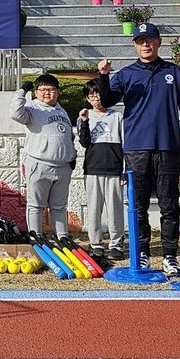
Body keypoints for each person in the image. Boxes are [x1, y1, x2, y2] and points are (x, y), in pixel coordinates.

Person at [97, 22, 180, 276]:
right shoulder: (127, 74)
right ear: (135, 45)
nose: (145, 45)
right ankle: (141, 254)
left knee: (169, 204)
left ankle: (170, 256)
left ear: (159, 42)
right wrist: (104, 76)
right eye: (140, 41)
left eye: (150, 39)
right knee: (138, 205)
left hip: (168, 147)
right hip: (137, 148)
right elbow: (106, 100)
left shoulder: (172, 71)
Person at [9, 74, 76, 240]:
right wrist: (21, 91)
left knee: (59, 206)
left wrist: (72, 155)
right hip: (39, 164)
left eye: (51, 89)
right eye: (43, 89)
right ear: (36, 92)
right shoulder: (32, 108)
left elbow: (68, 136)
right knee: (36, 205)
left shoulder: (63, 111)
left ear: (58, 92)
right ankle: (36, 237)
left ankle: (62, 237)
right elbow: (15, 113)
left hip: (63, 167)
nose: (47, 92)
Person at [77, 79, 126, 261]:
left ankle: (116, 244)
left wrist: (124, 170)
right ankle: (96, 244)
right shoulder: (85, 116)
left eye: (98, 94)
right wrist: (83, 121)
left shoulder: (117, 116)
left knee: (115, 209)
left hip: (114, 169)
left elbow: (125, 144)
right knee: (94, 209)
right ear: (87, 98)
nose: (96, 99)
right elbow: (84, 142)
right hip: (92, 169)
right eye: (91, 96)